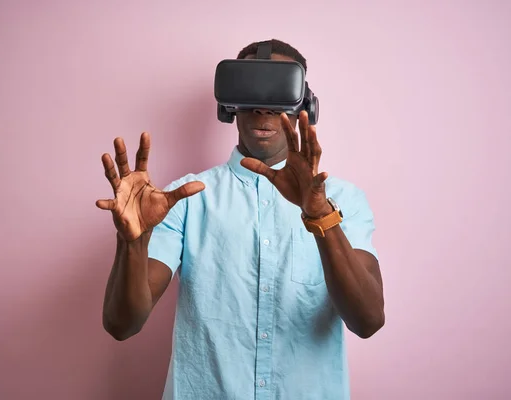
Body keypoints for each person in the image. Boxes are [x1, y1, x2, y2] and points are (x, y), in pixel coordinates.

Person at [96, 39, 385, 400]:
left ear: (305, 105)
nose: (262, 110)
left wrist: (320, 217)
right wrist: (132, 242)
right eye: (250, 93)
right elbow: (122, 324)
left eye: (277, 95)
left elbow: (368, 320)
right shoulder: (185, 198)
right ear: (229, 104)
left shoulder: (344, 200)